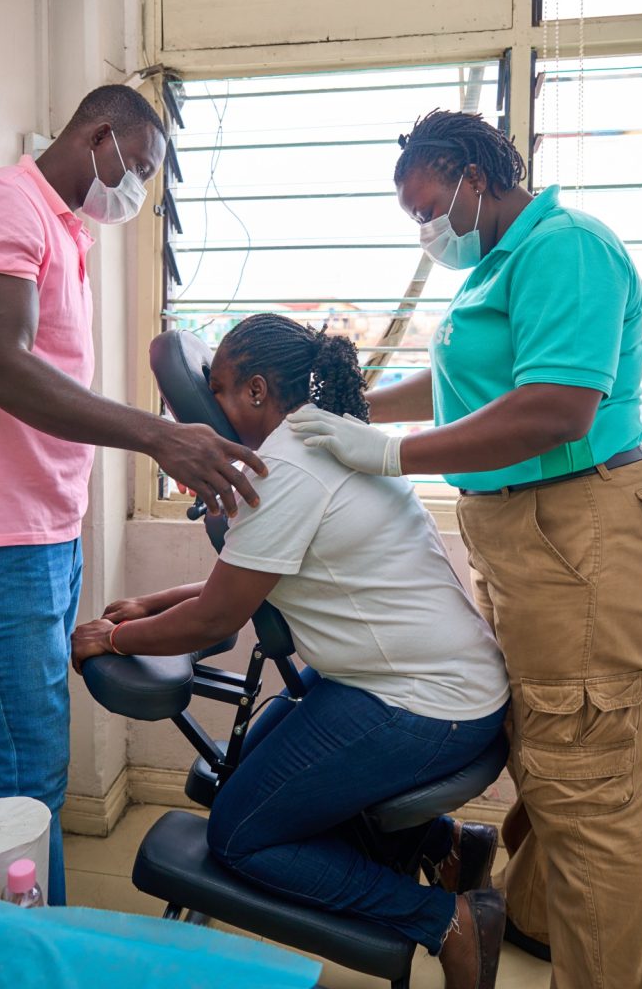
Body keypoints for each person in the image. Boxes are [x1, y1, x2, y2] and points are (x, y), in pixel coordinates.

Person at [287, 110, 642, 989]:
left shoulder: (566, 246)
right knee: (552, 755)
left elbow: (555, 407)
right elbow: (459, 384)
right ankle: (543, 924)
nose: (424, 229)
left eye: (424, 206)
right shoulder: (501, 266)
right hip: (534, 537)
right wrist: (345, 418)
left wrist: (389, 453)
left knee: (586, 787)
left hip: (584, 530)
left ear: (469, 172)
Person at [72, 313, 511, 989]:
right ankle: (447, 845)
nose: (205, 410)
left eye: (216, 390)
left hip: (422, 705)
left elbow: (219, 613)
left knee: (240, 835)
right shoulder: (327, 440)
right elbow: (274, 565)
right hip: (424, 683)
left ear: (254, 391)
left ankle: (445, 920)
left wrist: (115, 637)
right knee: (246, 777)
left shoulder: (286, 468)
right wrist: (155, 603)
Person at [0, 84, 265, 906]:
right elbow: (2, 367)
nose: (132, 191)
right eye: (134, 168)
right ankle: (44, 949)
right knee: (35, 762)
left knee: (14, 751)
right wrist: (158, 434)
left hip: (41, 521)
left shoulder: (64, 228)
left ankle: (1, 929)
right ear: (99, 136)